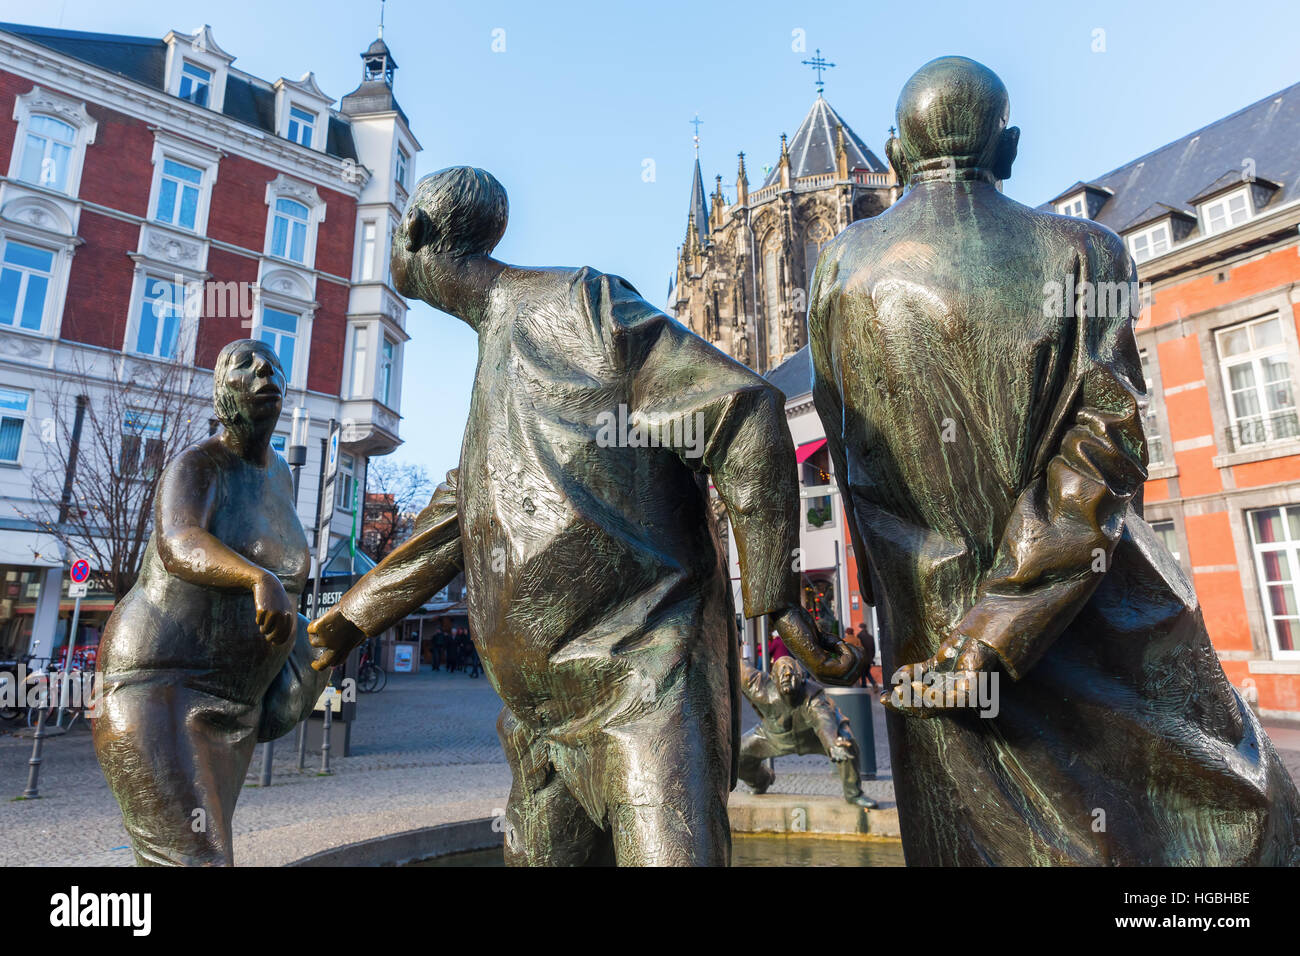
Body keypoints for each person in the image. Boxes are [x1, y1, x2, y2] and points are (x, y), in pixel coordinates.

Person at [809, 56, 1300, 864]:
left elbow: (849, 449)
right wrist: (999, 630)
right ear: (1008, 148)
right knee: (1216, 825)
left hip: (926, 636)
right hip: (1076, 621)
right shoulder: (1086, 251)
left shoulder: (838, 266)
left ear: (897, 156)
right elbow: (1104, 449)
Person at [308, 166, 860, 867]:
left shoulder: (582, 304)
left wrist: (775, 600)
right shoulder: (498, 353)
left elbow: (744, 413)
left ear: (414, 232)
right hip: (542, 724)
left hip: (641, 686)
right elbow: (455, 519)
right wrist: (346, 620)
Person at [93, 340, 329, 865]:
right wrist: (256, 577)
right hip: (162, 684)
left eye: (272, 363)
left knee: (194, 852)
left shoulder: (281, 477)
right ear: (223, 390)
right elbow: (179, 541)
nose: (264, 368)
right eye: (243, 362)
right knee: (197, 860)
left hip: (236, 703)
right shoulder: (197, 465)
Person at [737, 656, 876, 808]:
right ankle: (761, 780)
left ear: (802, 677)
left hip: (813, 736)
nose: (787, 674)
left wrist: (832, 744)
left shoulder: (813, 695)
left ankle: (854, 793)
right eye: (782, 671)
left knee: (844, 743)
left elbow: (823, 720)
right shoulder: (758, 687)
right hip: (772, 736)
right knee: (736, 757)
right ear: (773, 678)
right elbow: (740, 668)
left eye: (792, 671)